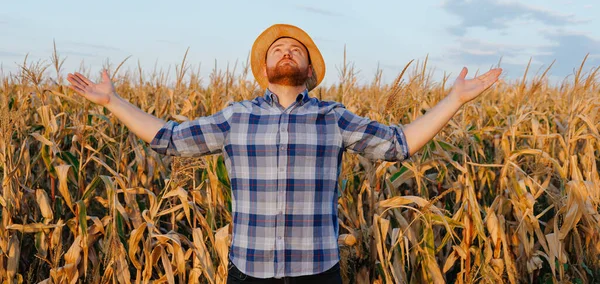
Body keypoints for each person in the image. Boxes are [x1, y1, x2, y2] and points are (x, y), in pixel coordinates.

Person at [67, 23, 502, 283]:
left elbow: (398, 143)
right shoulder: (236, 117)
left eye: (296, 49)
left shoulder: (333, 117)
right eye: (278, 49)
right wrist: (113, 102)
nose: (286, 50)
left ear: (309, 70)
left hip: (318, 272)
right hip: (248, 271)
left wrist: (455, 101)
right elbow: (168, 138)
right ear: (265, 71)